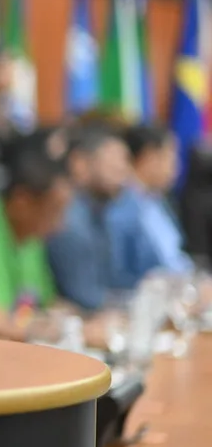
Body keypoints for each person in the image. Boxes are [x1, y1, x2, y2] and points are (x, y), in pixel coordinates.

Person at [0, 144, 74, 341]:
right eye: (54, 211)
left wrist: (87, 322)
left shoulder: (29, 235)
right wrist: (71, 333)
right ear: (22, 202)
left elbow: (45, 303)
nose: (60, 225)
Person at [46, 124, 150, 312]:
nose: (123, 171)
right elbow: (85, 297)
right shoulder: (68, 219)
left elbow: (112, 282)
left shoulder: (101, 213)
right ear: (80, 163)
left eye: (125, 160)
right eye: (112, 160)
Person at [125, 124, 192, 273]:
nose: (177, 167)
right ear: (149, 157)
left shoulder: (159, 200)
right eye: (172, 157)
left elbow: (176, 256)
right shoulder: (122, 205)